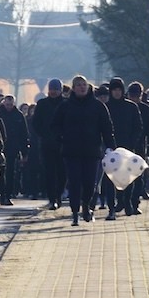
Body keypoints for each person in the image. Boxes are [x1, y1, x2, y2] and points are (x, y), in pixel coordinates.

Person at [51, 75, 115, 226]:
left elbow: (107, 127)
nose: (81, 87)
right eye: (78, 85)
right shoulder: (65, 106)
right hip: (71, 151)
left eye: (84, 85)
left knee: (89, 183)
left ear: (88, 87)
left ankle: (86, 207)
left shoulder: (98, 106)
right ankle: (74, 213)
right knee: (74, 182)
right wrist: (61, 138)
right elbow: (54, 126)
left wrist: (110, 146)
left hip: (91, 151)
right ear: (73, 88)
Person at [99, 77, 143, 220]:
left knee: (128, 177)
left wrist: (132, 143)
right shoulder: (105, 107)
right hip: (111, 148)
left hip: (128, 147)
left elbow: (138, 127)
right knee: (109, 179)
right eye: (114, 90)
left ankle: (127, 201)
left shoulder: (131, 107)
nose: (117, 93)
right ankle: (111, 207)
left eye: (119, 90)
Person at [126, 81, 149, 215]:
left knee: (138, 177)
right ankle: (124, 201)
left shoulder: (146, 109)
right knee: (124, 176)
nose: (134, 98)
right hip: (125, 147)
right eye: (132, 95)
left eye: (136, 96)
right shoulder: (125, 107)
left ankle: (135, 203)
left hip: (140, 147)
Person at [0, 95, 29, 205]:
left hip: (13, 149)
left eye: (11, 104)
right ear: (3, 103)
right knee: (0, 173)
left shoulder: (19, 116)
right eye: (7, 104)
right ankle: (0, 194)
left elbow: (24, 135)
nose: (9, 107)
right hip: (0, 148)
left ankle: (8, 195)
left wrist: (24, 152)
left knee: (10, 173)